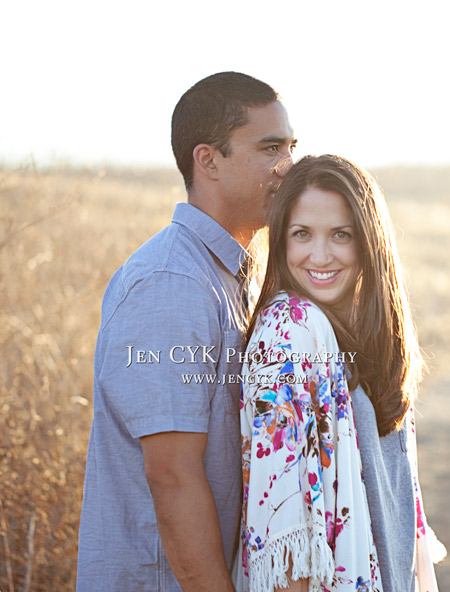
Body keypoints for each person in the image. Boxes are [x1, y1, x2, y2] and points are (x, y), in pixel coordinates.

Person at [77, 71, 297, 591]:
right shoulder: (171, 284)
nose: (288, 167)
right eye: (270, 149)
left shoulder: (227, 274)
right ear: (209, 161)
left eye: (291, 146)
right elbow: (172, 476)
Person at [235, 155, 443, 592]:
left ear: (368, 242)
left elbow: (402, 505)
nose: (320, 255)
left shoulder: (358, 335)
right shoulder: (288, 331)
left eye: (340, 235)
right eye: (302, 234)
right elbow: (284, 537)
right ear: (281, 242)